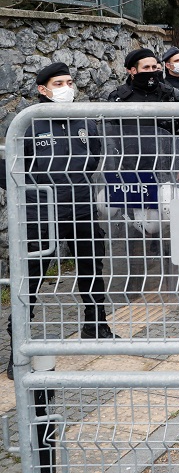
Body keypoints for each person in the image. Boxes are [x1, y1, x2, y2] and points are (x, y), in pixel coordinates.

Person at [4, 63, 120, 380]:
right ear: (43, 89)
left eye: (70, 81)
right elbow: (11, 169)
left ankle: (96, 325)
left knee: (92, 265)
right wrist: (34, 192)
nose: (66, 87)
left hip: (81, 207)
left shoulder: (83, 119)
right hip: (41, 213)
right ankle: (18, 347)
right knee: (30, 279)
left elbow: (95, 155)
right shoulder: (28, 122)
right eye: (59, 83)